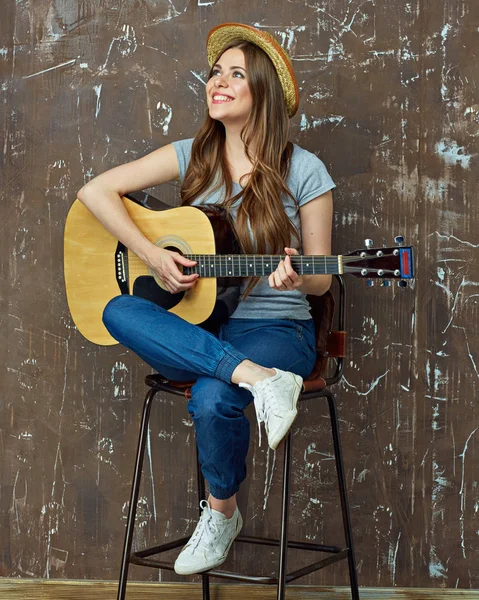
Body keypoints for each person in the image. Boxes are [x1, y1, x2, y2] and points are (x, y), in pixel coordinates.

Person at [77, 22, 335, 576]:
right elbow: (93, 191)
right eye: (217, 72)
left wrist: (298, 277)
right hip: (206, 330)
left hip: (277, 330)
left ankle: (221, 513)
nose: (218, 81)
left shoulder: (305, 170)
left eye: (235, 74)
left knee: (214, 399)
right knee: (117, 310)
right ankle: (260, 381)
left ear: (260, 92)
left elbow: (321, 277)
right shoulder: (191, 154)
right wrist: (150, 253)